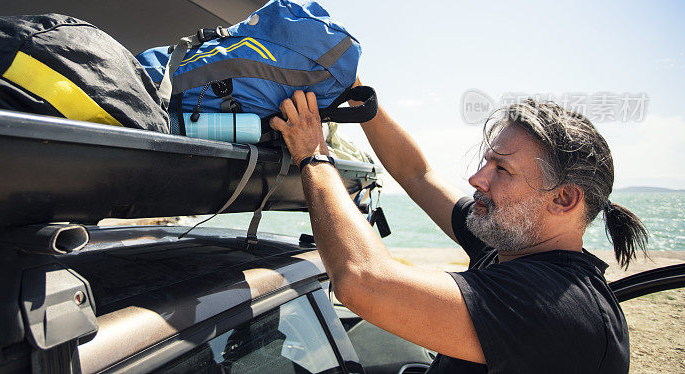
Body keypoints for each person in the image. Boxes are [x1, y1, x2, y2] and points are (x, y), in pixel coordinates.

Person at [269, 84, 648, 373]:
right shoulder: (506, 244)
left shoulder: (552, 305)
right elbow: (417, 174)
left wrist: (313, 157)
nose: (476, 178)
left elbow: (363, 282)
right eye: (487, 162)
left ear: (564, 199)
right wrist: (358, 94)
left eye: (502, 169)